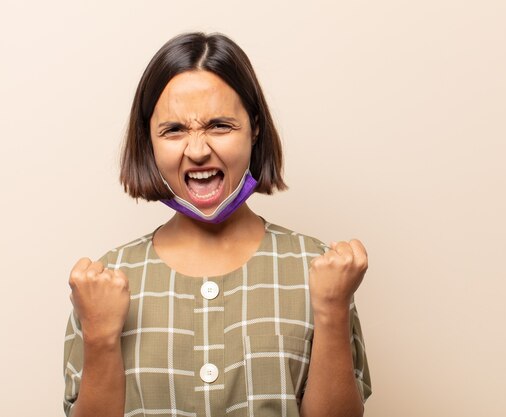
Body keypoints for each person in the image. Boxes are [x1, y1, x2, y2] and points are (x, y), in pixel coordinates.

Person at [63, 32, 372, 417]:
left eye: (220, 126)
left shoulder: (321, 270)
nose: (197, 151)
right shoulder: (104, 281)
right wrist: (100, 336)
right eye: (174, 130)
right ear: (149, 140)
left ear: (254, 127)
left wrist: (331, 309)